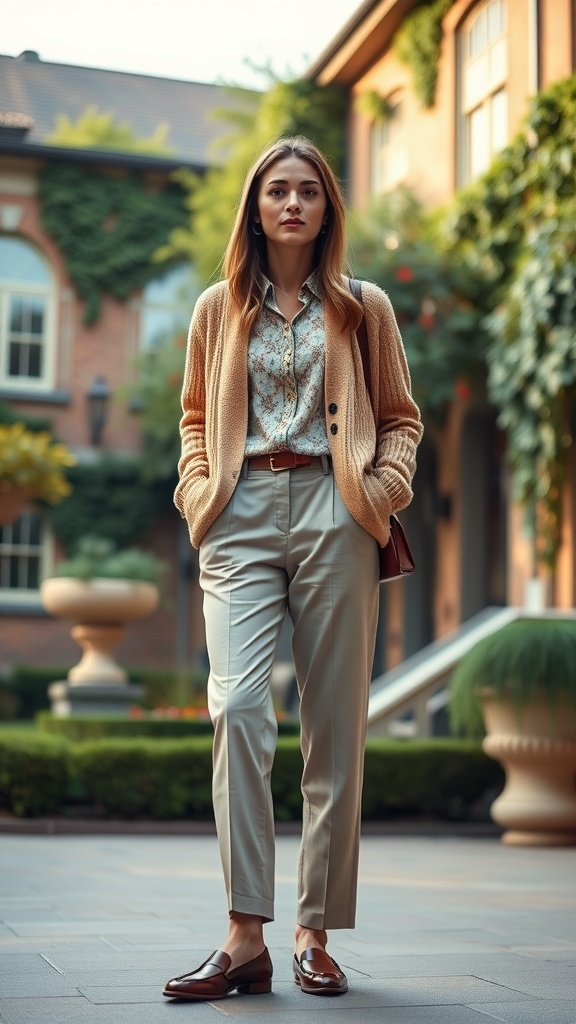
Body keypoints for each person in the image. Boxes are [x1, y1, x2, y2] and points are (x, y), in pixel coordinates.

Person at [163, 136, 422, 1002]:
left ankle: (314, 932)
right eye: (278, 190)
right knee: (236, 704)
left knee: (334, 727)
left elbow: (401, 417)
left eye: (309, 190)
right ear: (256, 205)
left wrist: (380, 492)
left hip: (335, 510)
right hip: (238, 515)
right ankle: (244, 935)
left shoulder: (362, 306)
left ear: (326, 208)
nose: (293, 204)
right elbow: (196, 418)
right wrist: (200, 492)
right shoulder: (215, 308)